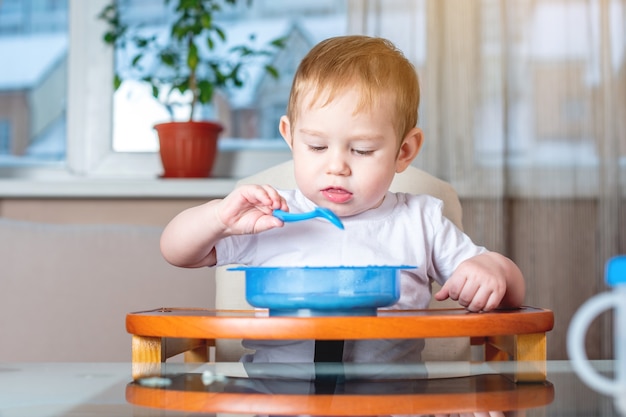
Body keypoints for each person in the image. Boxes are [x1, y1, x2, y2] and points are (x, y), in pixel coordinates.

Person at [160, 35, 526, 363]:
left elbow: (511, 295)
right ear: (290, 136)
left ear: (404, 151)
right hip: (277, 400)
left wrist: (495, 272)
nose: (337, 167)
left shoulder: (420, 221)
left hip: (392, 403)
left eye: (363, 150)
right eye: (317, 146)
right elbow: (177, 252)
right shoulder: (269, 215)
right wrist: (218, 218)